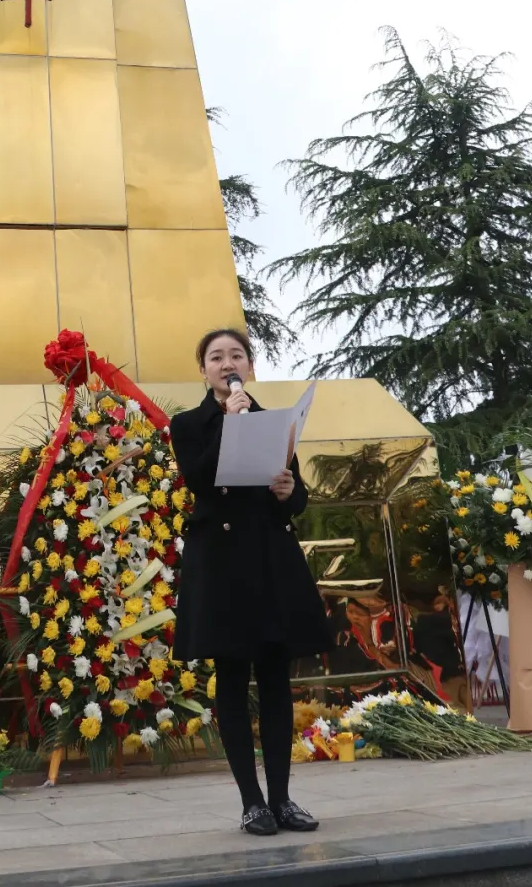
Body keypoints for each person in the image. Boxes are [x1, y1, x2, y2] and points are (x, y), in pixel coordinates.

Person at [170, 327, 332, 837]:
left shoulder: (274, 422)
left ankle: (283, 799)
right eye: (216, 357)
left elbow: (299, 495)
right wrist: (229, 420)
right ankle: (251, 802)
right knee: (234, 679)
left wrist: (288, 490)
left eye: (235, 355)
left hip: (269, 557)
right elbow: (197, 478)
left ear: (250, 364)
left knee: (276, 677)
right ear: (204, 370)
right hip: (221, 562)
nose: (226, 363)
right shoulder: (189, 423)